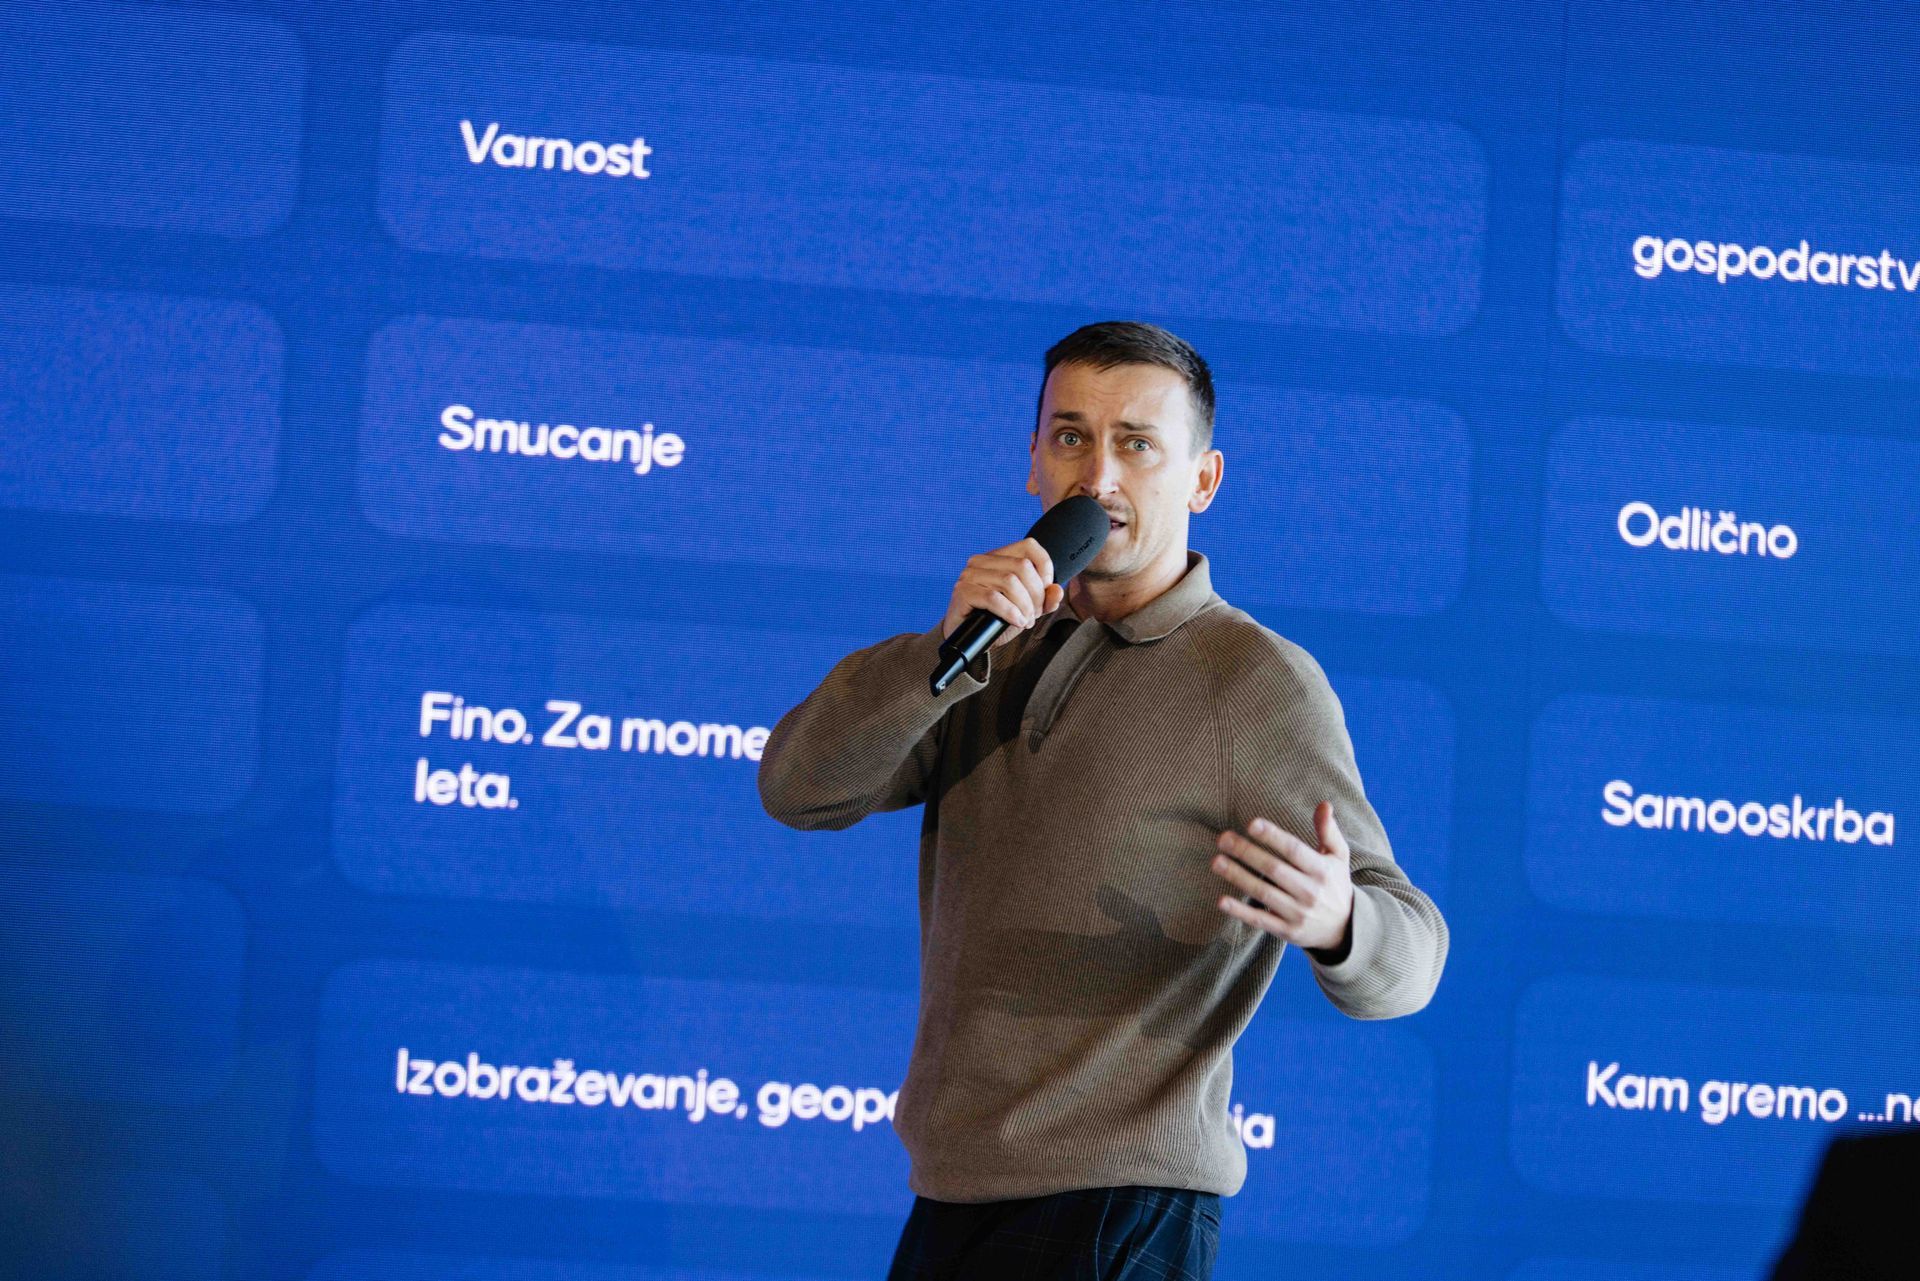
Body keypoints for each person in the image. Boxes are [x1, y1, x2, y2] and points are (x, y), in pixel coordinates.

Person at [757, 320, 1448, 1279]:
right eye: (1071, 437)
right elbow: (797, 790)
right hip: (952, 1192)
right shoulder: (987, 648)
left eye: (1137, 444)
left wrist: (1340, 921)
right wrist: (939, 655)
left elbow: (1412, 955)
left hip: (1123, 1206)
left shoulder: (1253, 682)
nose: (1098, 477)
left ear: (1203, 480)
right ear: (1033, 461)